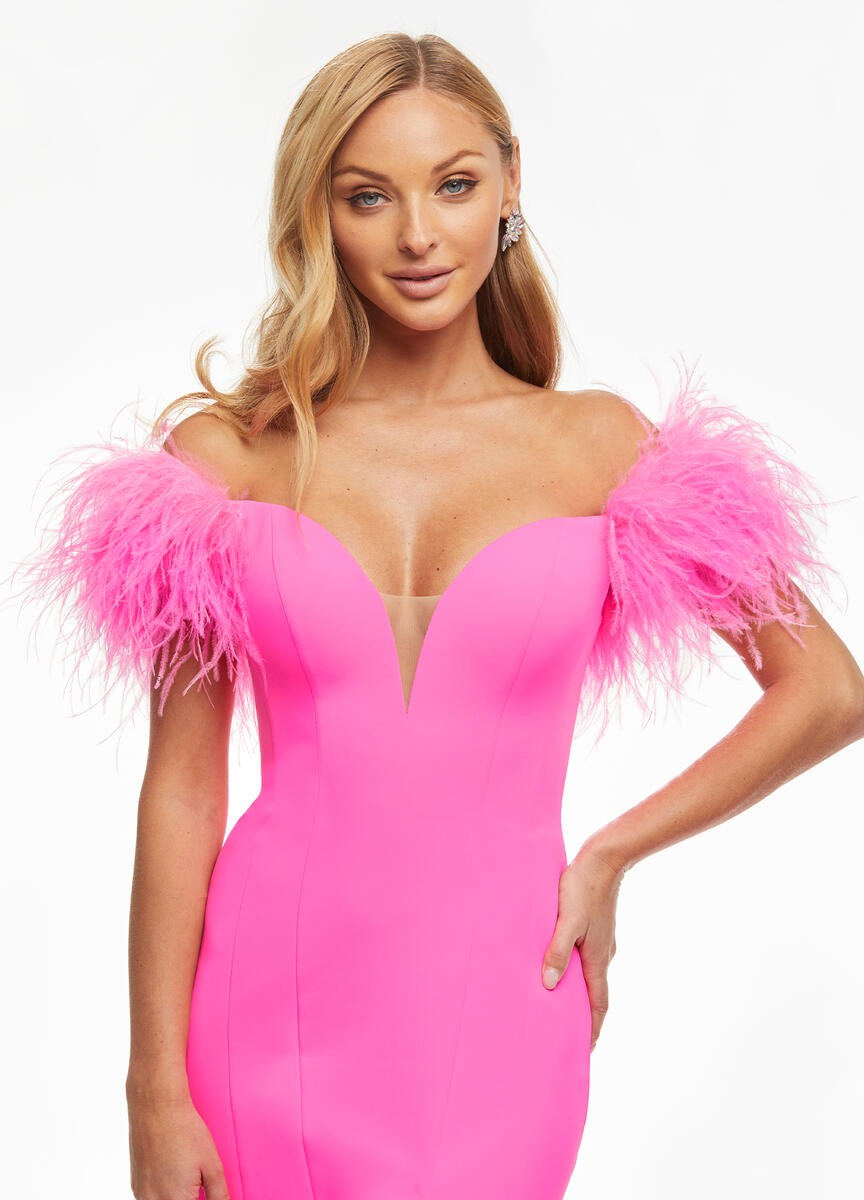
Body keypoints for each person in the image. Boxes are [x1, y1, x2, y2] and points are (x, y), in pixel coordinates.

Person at [11, 31, 863, 1200]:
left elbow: (827, 690)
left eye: (454, 185)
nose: (419, 235)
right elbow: (184, 793)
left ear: (511, 180)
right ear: (319, 214)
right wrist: (153, 1089)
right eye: (370, 196)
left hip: (505, 1000)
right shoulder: (227, 462)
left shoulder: (598, 447)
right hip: (264, 1005)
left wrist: (611, 855)